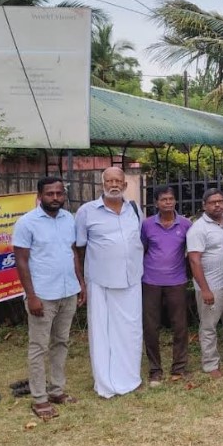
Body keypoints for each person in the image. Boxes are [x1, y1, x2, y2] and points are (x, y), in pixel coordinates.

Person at [12, 177, 85, 420]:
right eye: (50, 194)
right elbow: (21, 261)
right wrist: (31, 296)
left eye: (59, 193)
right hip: (42, 295)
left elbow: (73, 252)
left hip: (68, 292)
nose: (55, 198)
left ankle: (56, 390)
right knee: (39, 347)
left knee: (61, 343)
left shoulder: (69, 219)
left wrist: (80, 283)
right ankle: (39, 398)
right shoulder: (26, 223)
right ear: (40, 196)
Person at [75, 167, 145, 398]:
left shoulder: (134, 209)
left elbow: (139, 240)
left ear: (125, 185)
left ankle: (130, 378)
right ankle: (105, 382)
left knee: (131, 331)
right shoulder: (87, 211)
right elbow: (79, 248)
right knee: (102, 334)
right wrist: (81, 282)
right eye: (109, 181)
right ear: (102, 184)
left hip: (131, 280)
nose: (114, 185)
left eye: (118, 181)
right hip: (101, 282)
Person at [140, 185, 192, 386]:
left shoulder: (186, 225)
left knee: (180, 326)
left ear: (175, 201)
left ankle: (179, 367)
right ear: (156, 203)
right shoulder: (147, 225)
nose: (168, 202)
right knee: (151, 327)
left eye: (171, 199)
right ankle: (155, 369)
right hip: (150, 282)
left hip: (177, 282)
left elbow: (191, 252)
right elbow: (142, 249)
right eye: (164, 199)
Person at [187, 188, 223, 378]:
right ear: (204, 205)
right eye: (212, 202)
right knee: (209, 326)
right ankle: (210, 364)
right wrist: (205, 289)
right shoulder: (198, 229)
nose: (217, 205)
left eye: (220, 201)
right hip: (211, 287)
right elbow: (194, 260)